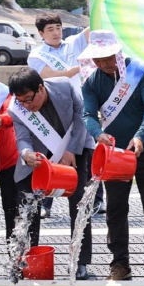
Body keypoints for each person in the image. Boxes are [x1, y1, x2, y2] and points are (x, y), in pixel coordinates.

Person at [81, 30, 144, 281]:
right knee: (116, 208)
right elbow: (88, 114)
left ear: (118, 52)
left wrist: (140, 136)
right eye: (97, 59)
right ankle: (119, 263)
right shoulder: (91, 82)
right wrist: (98, 134)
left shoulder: (140, 71)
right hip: (115, 153)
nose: (103, 64)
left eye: (107, 57)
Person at [8, 69, 94, 280]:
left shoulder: (64, 87)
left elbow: (81, 116)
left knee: (79, 205)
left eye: (29, 99)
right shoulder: (16, 109)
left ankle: (80, 262)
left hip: (73, 148)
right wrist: (27, 154)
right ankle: (25, 259)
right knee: (28, 206)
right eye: (22, 102)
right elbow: (22, 138)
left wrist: (71, 150)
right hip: (39, 157)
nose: (27, 106)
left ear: (41, 88)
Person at [27, 12, 104, 216]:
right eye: (50, 29)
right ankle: (46, 203)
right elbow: (48, 75)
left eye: (58, 28)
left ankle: (96, 200)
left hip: (80, 107)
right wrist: (73, 71)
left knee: (88, 153)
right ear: (41, 33)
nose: (56, 32)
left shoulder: (72, 43)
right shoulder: (36, 55)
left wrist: (91, 2)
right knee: (52, 153)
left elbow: (93, 28)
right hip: (54, 110)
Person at [0, 57, 18, 241]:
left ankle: (16, 262)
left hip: (9, 161)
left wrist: (1, 120)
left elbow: (12, 111)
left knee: (13, 211)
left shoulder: (1, 91)